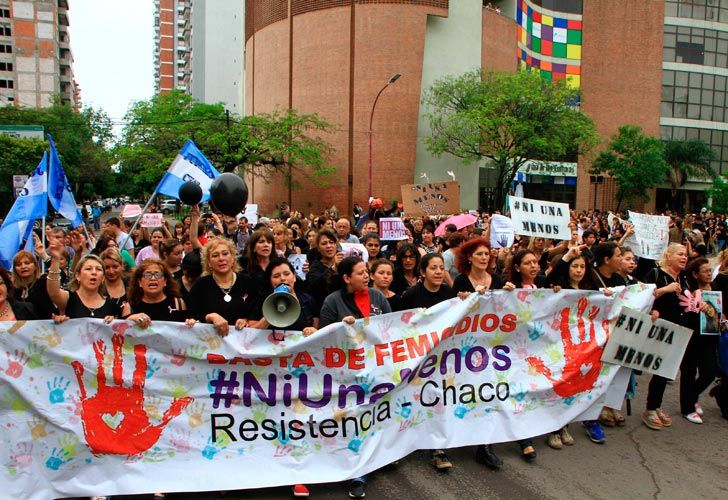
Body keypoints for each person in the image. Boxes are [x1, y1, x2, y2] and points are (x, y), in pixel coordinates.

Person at [318, 256, 391, 499]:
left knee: (374, 417)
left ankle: (377, 458)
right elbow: (323, 341)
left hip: (375, 368)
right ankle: (357, 473)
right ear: (347, 278)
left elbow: (389, 328)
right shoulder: (332, 302)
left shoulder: (378, 298)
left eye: (367, 271)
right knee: (354, 421)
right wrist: (342, 328)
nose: (367, 276)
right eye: (361, 273)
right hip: (346, 375)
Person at [642, 243, 690, 430]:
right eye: (680, 254)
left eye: (685, 255)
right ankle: (649, 409)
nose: (684, 257)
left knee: (666, 369)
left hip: (678, 329)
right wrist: (665, 290)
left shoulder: (684, 277)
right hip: (658, 328)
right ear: (668, 256)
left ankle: (656, 406)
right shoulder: (655, 274)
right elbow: (643, 296)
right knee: (658, 367)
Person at [188, 238, 254, 337]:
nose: (221, 258)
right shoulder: (200, 285)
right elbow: (191, 315)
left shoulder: (248, 282)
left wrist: (246, 320)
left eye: (225, 253)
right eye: (215, 255)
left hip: (242, 344)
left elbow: (256, 312)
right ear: (209, 263)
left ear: (233, 258)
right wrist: (210, 316)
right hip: (211, 344)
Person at [680, 257, 719, 424]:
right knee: (688, 371)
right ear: (695, 274)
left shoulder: (716, 288)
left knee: (710, 371)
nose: (709, 274)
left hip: (711, 336)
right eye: (705, 271)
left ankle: (692, 395)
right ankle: (687, 408)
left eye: (710, 270)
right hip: (693, 336)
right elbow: (687, 315)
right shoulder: (689, 290)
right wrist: (696, 305)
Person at [46, 240, 120, 323]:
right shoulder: (68, 298)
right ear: (78, 276)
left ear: (103, 278)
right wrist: (55, 259)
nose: (94, 272)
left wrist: (113, 324)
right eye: (88, 269)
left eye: (98, 269)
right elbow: (53, 292)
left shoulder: (111, 305)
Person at [248, 258, 317, 336]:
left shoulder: (307, 300)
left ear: (294, 277)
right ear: (270, 280)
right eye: (276, 276)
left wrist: (313, 330)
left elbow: (317, 330)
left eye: (287, 274)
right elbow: (250, 332)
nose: (282, 278)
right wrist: (268, 316)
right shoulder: (262, 300)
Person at [122, 259, 193, 326]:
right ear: (139, 282)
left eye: (158, 275)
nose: (153, 278)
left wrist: (191, 323)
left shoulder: (178, 303)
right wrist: (129, 320)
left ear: (165, 281)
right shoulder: (130, 307)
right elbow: (121, 333)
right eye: (148, 275)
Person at [11, 250, 56, 319]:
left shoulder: (44, 281)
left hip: (48, 326)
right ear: (15, 269)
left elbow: (60, 275)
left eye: (27, 263)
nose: (23, 266)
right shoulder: (13, 289)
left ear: (35, 266)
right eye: (18, 265)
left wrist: (45, 256)